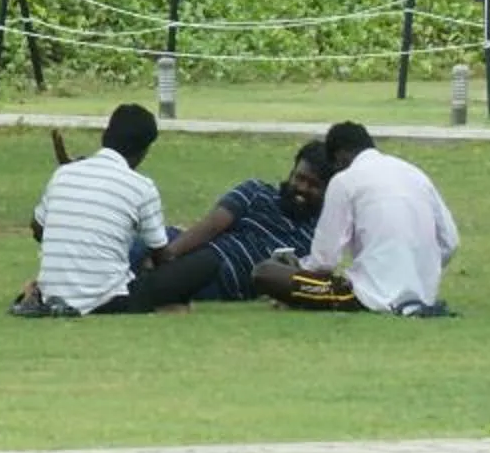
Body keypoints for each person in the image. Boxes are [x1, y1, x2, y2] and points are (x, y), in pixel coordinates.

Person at [252, 121, 460, 315]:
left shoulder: (344, 181)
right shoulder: (416, 174)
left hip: (368, 297)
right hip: (423, 296)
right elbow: (450, 242)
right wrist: (416, 271)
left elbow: (324, 262)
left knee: (265, 272)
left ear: (339, 157)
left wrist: (297, 268)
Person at [123, 141, 329, 308]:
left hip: (218, 279)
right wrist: (165, 256)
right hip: (186, 247)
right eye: (299, 178)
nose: (302, 188)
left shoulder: (317, 237)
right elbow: (212, 225)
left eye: (313, 185)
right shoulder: (257, 191)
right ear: (291, 173)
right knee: (137, 246)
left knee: (146, 286)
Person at [21, 104, 167, 315]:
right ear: (144, 150)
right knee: (196, 262)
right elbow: (160, 255)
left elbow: (37, 229)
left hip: (51, 293)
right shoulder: (141, 186)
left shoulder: (63, 174)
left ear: (104, 136)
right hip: (108, 299)